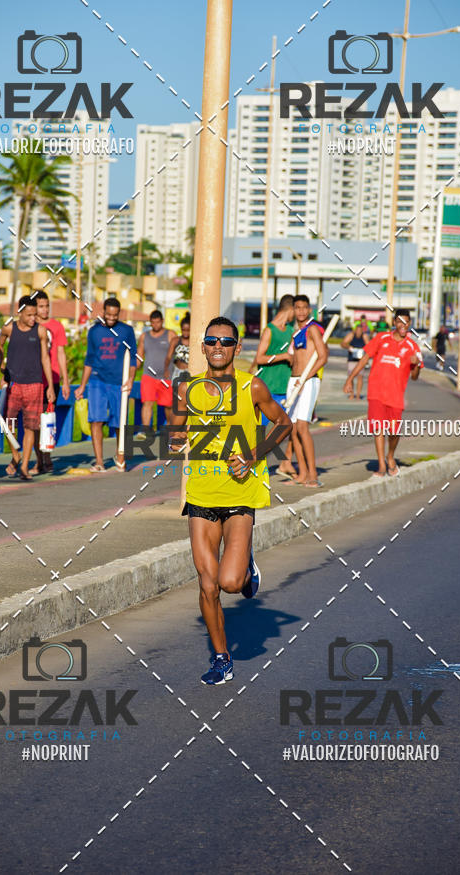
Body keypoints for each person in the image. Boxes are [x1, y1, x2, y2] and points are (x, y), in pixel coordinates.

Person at [169, 316, 291, 686]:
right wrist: (175, 439)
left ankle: (247, 567)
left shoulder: (252, 386)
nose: (218, 347)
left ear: (237, 348)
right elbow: (176, 431)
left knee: (231, 582)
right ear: (203, 347)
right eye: (211, 341)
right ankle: (222, 659)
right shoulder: (187, 388)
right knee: (208, 585)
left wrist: (253, 455)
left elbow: (283, 423)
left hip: (240, 493)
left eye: (226, 341)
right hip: (202, 494)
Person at [343, 308, 423, 478]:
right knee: (378, 427)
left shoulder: (413, 347)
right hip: (376, 392)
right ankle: (381, 464)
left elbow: (415, 377)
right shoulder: (381, 338)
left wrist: (416, 365)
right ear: (394, 322)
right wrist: (350, 379)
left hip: (395, 395)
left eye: (406, 322)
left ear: (409, 324)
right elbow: (365, 358)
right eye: (400, 321)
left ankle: (390, 456)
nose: (403, 325)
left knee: (394, 431)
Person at [74, 297, 137, 472]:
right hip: (97, 381)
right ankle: (99, 462)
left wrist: (131, 379)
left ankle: (120, 455)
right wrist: (82, 386)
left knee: (119, 423)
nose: (111, 318)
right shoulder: (94, 331)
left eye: (115, 315)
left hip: (119, 382)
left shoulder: (127, 331)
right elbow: (89, 360)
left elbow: (133, 358)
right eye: (108, 314)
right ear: (103, 311)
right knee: (96, 420)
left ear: (119, 313)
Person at [0, 296, 55, 480]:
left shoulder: (40, 331)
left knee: (31, 427)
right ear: (20, 312)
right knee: (9, 425)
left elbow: (45, 358)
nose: (33, 319)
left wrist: (50, 386)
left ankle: (24, 466)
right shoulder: (9, 328)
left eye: (35, 315)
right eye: (29, 315)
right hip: (14, 385)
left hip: (35, 384)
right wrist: (2, 367)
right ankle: (16, 455)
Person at [284, 296, 328, 487]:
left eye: (304, 308)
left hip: (308, 381)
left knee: (303, 427)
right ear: (293, 310)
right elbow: (294, 359)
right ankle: (302, 473)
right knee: (293, 430)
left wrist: (304, 379)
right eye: (297, 307)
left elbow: (323, 357)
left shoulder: (313, 329)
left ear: (309, 309)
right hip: (293, 381)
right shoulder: (296, 333)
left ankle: (313, 474)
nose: (301, 311)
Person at [252, 294, 295, 477]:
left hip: (285, 389)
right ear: (289, 309)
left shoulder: (291, 330)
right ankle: (252, 464)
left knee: (288, 428)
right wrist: (282, 356)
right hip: (267, 388)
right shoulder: (269, 330)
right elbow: (260, 358)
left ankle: (286, 463)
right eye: (295, 310)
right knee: (257, 432)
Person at [33, 290, 70, 474]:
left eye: (47, 306)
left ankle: (47, 458)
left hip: (52, 380)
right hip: (32, 380)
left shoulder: (57, 326)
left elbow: (61, 353)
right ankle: (38, 460)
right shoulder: (30, 325)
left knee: (47, 420)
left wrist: (65, 381)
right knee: (34, 423)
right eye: (41, 306)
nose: (45, 309)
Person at [137, 310, 176, 432]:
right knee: (147, 403)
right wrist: (132, 370)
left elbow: (179, 354)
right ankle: (145, 430)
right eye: (153, 322)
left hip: (167, 377)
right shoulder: (144, 336)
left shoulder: (170, 334)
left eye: (158, 322)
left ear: (162, 321)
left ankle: (170, 428)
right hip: (148, 376)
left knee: (169, 405)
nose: (155, 325)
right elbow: (139, 356)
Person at [341, 321, 369, 399]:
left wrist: (365, 353)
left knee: (360, 377)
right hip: (352, 359)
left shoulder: (364, 336)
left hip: (361, 359)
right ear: (355, 330)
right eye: (357, 330)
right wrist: (348, 347)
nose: (359, 332)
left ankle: (358, 395)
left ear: (362, 331)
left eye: (360, 331)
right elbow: (343, 343)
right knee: (351, 377)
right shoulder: (351, 335)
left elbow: (369, 346)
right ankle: (352, 394)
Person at [165, 313, 191, 386]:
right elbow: (168, 357)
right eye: (183, 330)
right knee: (176, 391)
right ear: (181, 328)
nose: (185, 332)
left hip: (189, 372)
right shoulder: (175, 340)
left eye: (188, 330)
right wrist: (166, 369)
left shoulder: (193, 342)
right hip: (177, 371)